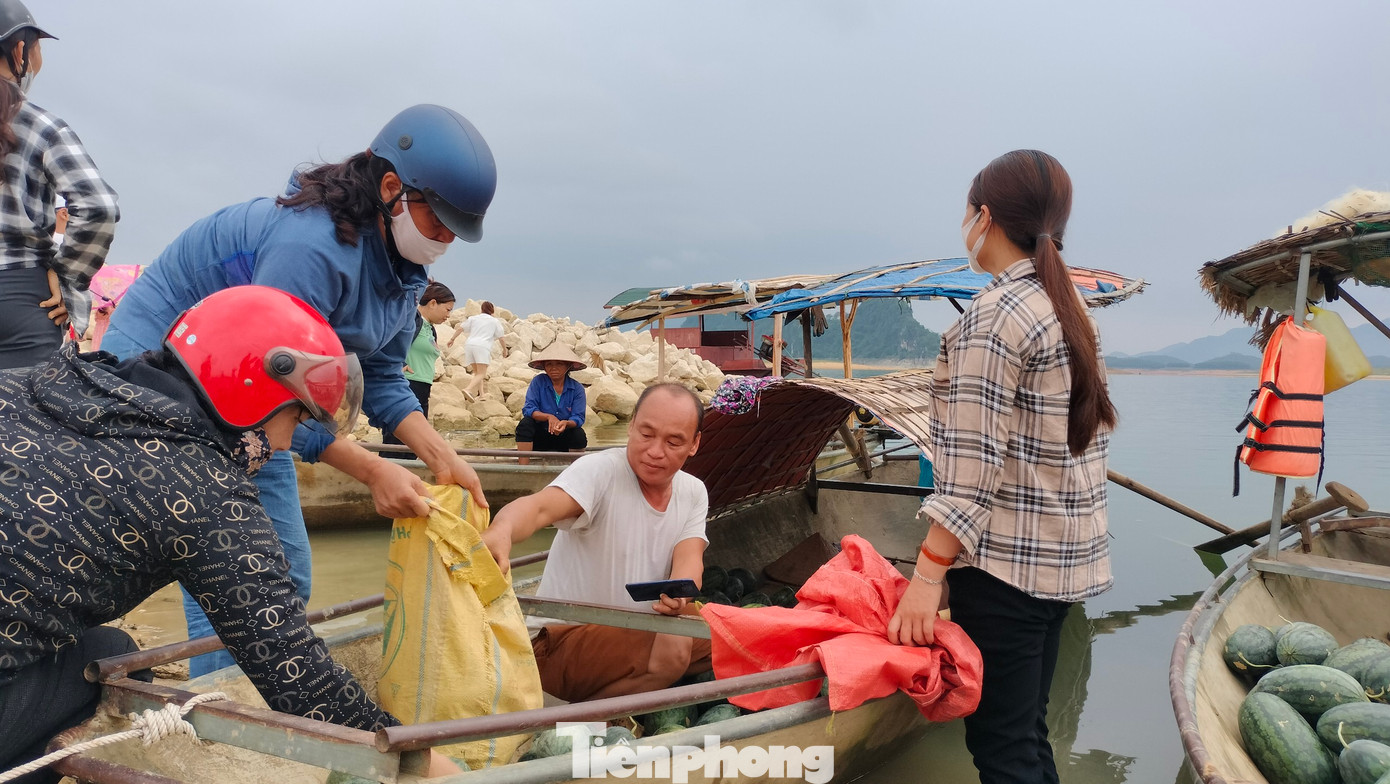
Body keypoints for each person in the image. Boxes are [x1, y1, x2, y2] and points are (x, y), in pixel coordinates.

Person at [0, 286, 458, 782]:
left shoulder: (35, 379)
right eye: (297, 417)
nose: (286, 442)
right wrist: (427, 762)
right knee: (113, 664)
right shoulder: (207, 491)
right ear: (254, 393)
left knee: (99, 645)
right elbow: (302, 683)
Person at [102, 104, 497, 676]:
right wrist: (372, 471)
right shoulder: (312, 248)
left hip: (254, 388)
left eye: (456, 232)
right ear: (392, 189)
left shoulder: (401, 270)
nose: (444, 241)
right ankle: (222, 708)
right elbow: (271, 395)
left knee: (284, 570)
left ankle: (247, 692)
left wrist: (442, 457)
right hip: (167, 364)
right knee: (231, 569)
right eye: (438, 223)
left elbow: (383, 375)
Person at [887, 150, 1114, 784]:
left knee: (1003, 749)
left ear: (983, 217)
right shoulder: (1070, 308)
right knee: (1027, 734)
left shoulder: (993, 318)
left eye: (968, 211)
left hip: (1006, 570)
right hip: (1062, 564)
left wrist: (925, 579)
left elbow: (969, 476)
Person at [483, 383, 710, 701]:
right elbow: (539, 508)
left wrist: (679, 594)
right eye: (646, 434)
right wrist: (502, 529)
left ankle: (639, 682)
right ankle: (597, 717)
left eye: (673, 442)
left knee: (725, 636)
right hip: (558, 642)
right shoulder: (600, 471)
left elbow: (690, 557)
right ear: (631, 425)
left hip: (636, 628)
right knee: (674, 644)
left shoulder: (693, 491)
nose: (656, 451)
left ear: (694, 444)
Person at [0, 1, 118, 370]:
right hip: (19, 299)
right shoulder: (41, 126)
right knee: (23, 407)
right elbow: (98, 206)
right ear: (20, 49)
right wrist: (67, 274)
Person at [382, 280, 455, 460]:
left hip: (423, 389)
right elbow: (387, 339)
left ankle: (406, 476)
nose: (448, 315)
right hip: (406, 386)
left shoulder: (431, 329)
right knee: (397, 443)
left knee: (415, 445)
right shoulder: (412, 320)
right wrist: (397, 363)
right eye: (447, 309)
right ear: (432, 303)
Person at [515, 343, 589, 465]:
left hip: (563, 439)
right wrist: (548, 417)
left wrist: (565, 423)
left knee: (578, 434)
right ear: (544, 367)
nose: (553, 368)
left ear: (568, 366)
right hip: (540, 437)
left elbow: (578, 417)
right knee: (525, 424)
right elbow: (529, 408)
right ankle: (523, 468)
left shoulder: (577, 388)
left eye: (559, 364)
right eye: (549, 364)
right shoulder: (538, 382)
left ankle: (575, 468)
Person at [448, 299, 507, 399]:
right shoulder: (494, 321)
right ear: (492, 310)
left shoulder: (473, 318)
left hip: (469, 345)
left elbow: (460, 328)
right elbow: (501, 338)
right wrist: (505, 350)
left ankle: (482, 395)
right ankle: (468, 389)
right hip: (482, 347)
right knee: (482, 373)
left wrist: (452, 339)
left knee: (477, 373)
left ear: (481, 309)